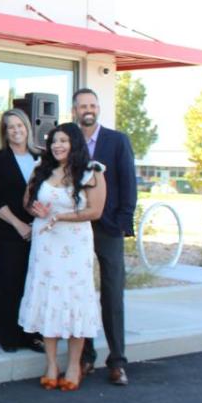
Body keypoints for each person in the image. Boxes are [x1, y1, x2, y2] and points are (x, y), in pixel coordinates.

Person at [20, 122, 105, 391]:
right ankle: (51, 364)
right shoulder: (41, 169)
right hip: (45, 246)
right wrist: (36, 208)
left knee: (74, 300)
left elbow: (95, 211)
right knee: (49, 299)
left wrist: (59, 216)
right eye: (54, 140)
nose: (57, 145)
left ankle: (73, 365)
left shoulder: (92, 172)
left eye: (64, 141)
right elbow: (26, 202)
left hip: (75, 247)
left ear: (75, 144)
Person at [73, 88, 137, 386]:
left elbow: (128, 183)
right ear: (75, 111)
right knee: (82, 292)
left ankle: (117, 361)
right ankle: (86, 356)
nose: (88, 109)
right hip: (77, 227)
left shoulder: (117, 140)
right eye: (83, 105)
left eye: (93, 105)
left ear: (98, 108)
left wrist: (124, 223)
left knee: (113, 293)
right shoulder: (70, 142)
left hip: (109, 227)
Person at [0, 109, 42, 352]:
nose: (17, 130)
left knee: (33, 283)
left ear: (27, 128)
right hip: (8, 229)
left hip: (38, 229)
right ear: (5, 132)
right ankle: (9, 336)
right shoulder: (0, 158)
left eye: (20, 125)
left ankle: (32, 334)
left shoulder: (40, 157)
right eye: (11, 127)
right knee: (10, 282)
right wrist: (19, 226)